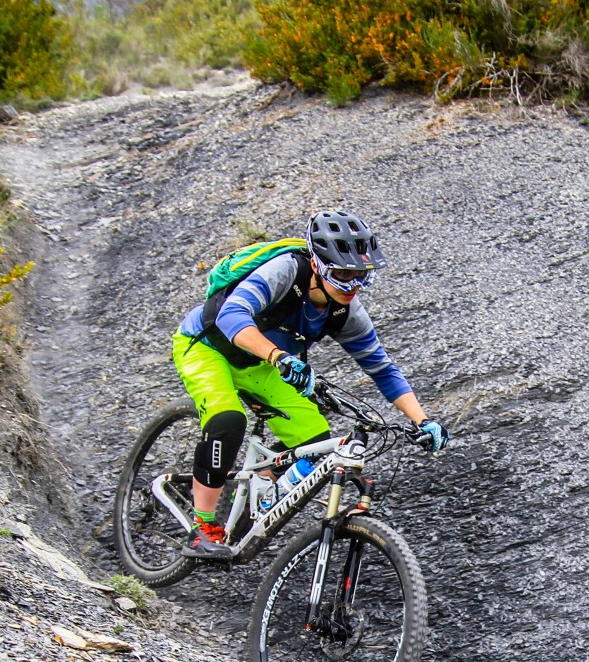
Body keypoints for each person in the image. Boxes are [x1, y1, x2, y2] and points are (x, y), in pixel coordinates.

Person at [171, 210, 448, 561]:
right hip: (209, 346)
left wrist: (423, 421)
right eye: (343, 275)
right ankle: (203, 527)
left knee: (318, 447)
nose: (353, 286)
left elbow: (381, 368)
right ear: (318, 264)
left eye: (361, 276)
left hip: (263, 363)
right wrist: (278, 357)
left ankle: (263, 484)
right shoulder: (286, 271)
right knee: (228, 420)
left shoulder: (346, 313)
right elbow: (232, 315)